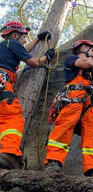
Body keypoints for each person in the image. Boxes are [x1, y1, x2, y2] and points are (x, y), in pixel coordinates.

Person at [44, 39, 93, 177]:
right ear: (83, 48)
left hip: (91, 104)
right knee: (63, 128)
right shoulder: (72, 59)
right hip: (73, 100)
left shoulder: (91, 73)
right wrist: (92, 56)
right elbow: (87, 63)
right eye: (90, 48)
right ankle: (53, 161)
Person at [0, 20, 55, 169]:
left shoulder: (5, 46)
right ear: (15, 35)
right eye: (23, 36)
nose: (25, 40)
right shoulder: (13, 44)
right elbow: (33, 62)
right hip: (2, 80)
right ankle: (9, 154)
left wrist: (37, 38)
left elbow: (23, 49)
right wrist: (46, 57)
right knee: (11, 116)